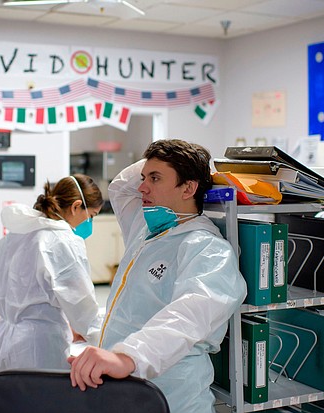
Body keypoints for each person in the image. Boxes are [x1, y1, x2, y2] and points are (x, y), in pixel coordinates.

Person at [68, 139, 247, 413]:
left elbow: (187, 317)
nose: (142, 187)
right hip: (124, 386)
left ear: (189, 187)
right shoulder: (146, 231)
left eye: (154, 178)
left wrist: (128, 356)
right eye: (143, 177)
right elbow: (119, 187)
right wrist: (166, 154)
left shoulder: (207, 249)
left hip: (171, 396)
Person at [0, 174, 105, 373]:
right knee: (40, 403)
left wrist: (69, 323)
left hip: (3, 339)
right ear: (76, 206)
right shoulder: (61, 240)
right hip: (37, 347)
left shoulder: (18, 234)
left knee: (9, 401)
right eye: (91, 216)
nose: (89, 223)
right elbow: (80, 303)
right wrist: (104, 341)